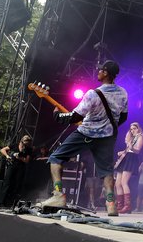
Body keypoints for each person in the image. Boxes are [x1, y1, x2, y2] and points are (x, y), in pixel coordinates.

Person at [38, 60, 128, 216]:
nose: (97, 72)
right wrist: (106, 127)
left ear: (105, 72)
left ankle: (58, 195)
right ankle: (111, 204)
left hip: (86, 133)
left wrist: (57, 116)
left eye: (100, 70)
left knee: (55, 158)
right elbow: (124, 117)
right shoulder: (123, 93)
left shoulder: (92, 94)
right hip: (108, 137)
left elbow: (75, 116)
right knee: (107, 170)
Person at [114, 122, 143, 213]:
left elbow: (137, 150)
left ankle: (127, 206)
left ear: (138, 128)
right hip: (125, 158)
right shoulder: (132, 137)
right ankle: (120, 206)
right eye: (131, 129)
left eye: (134, 129)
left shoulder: (140, 137)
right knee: (117, 184)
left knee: (124, 182)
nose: (132, 131)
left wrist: (129, 144)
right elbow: (128, 150)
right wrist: (122, 152)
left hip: (131, 159)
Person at [0, 135, 33, 207]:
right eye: (25, 142)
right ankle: (2, 201)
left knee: (16, 184)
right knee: (7, 182)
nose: (26, 144)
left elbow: (27, 161)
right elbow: (2, 150)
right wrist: (7, 156)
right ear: (22, 141)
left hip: (20, 167)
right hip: (12, 165)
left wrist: (19, 157)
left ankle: (12, 203)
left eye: (27, 143)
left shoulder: (28, 149)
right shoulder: (15, 145)